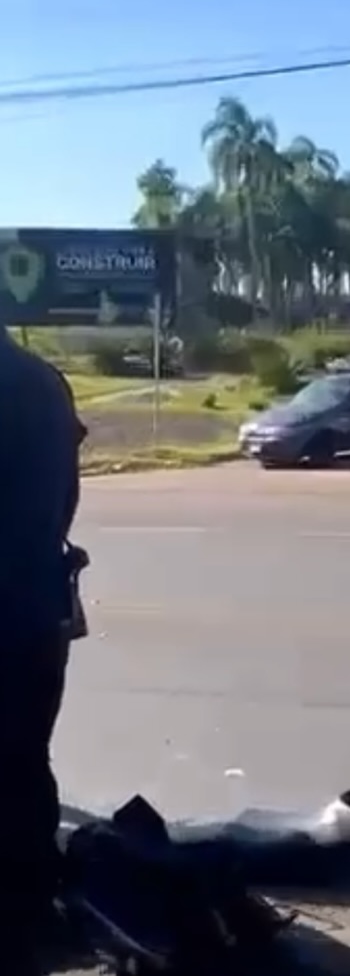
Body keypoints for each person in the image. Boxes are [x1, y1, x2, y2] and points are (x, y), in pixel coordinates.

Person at [0, 327, 86, 967]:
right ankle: (31, 913)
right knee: (26, 765)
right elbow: (66, 502)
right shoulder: (45, 382)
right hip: (37, 611)